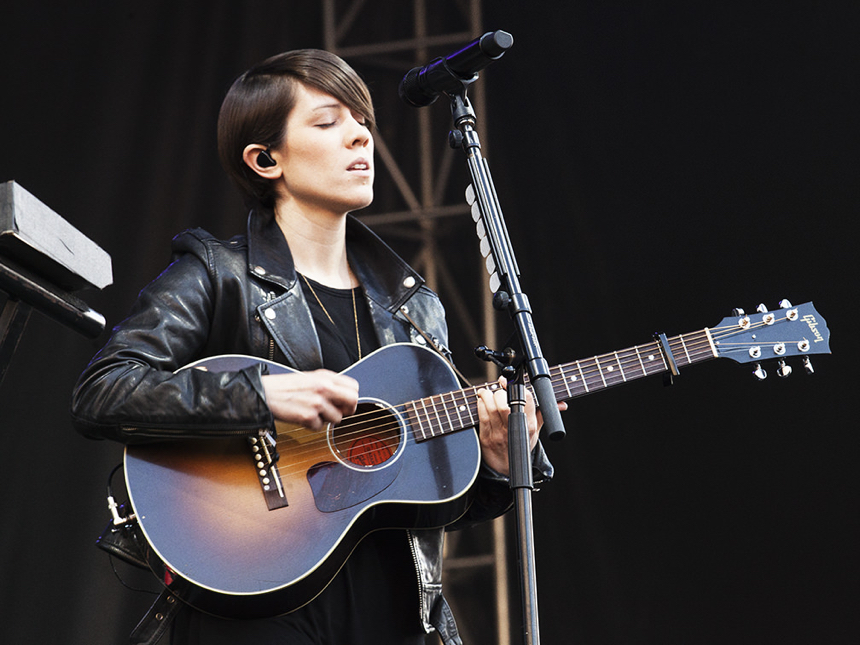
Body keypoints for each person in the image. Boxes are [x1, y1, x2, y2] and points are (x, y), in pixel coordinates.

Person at [71, 49, 555, 645]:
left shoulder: (415, 309)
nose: (359, 137)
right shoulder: (218, 274)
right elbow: (104, 391)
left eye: (363, 123)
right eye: (329, 123)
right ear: (265, 158)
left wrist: (498, 465)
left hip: (396, 611)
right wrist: (259, 395)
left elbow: (436, 500)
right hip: (254, 597)